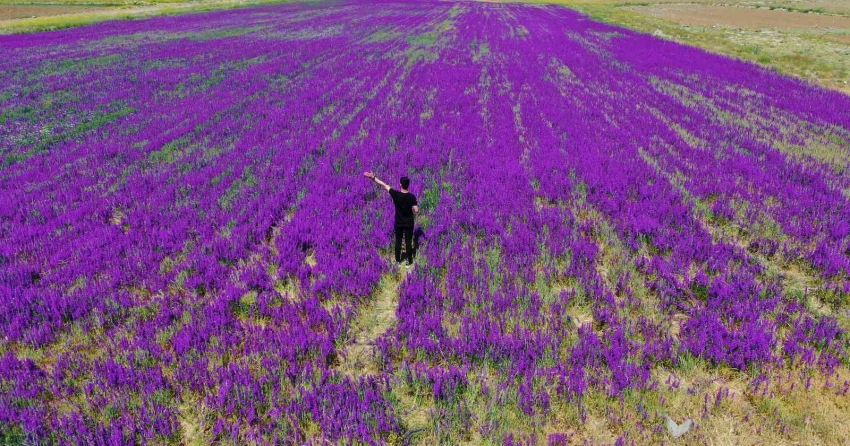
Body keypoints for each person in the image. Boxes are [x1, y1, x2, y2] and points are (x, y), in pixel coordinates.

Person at [363, 171, 419, 267]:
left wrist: (373, 177)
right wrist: (414, 208)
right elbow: (416, 210)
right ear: (408, 185)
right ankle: (409, 262)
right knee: (408, 242)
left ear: (400, 184)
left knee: (398, 241)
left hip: (399, 222)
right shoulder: (412, 197)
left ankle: (397, 260)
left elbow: (384, 185)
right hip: (409, 223)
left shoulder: (395, 194)